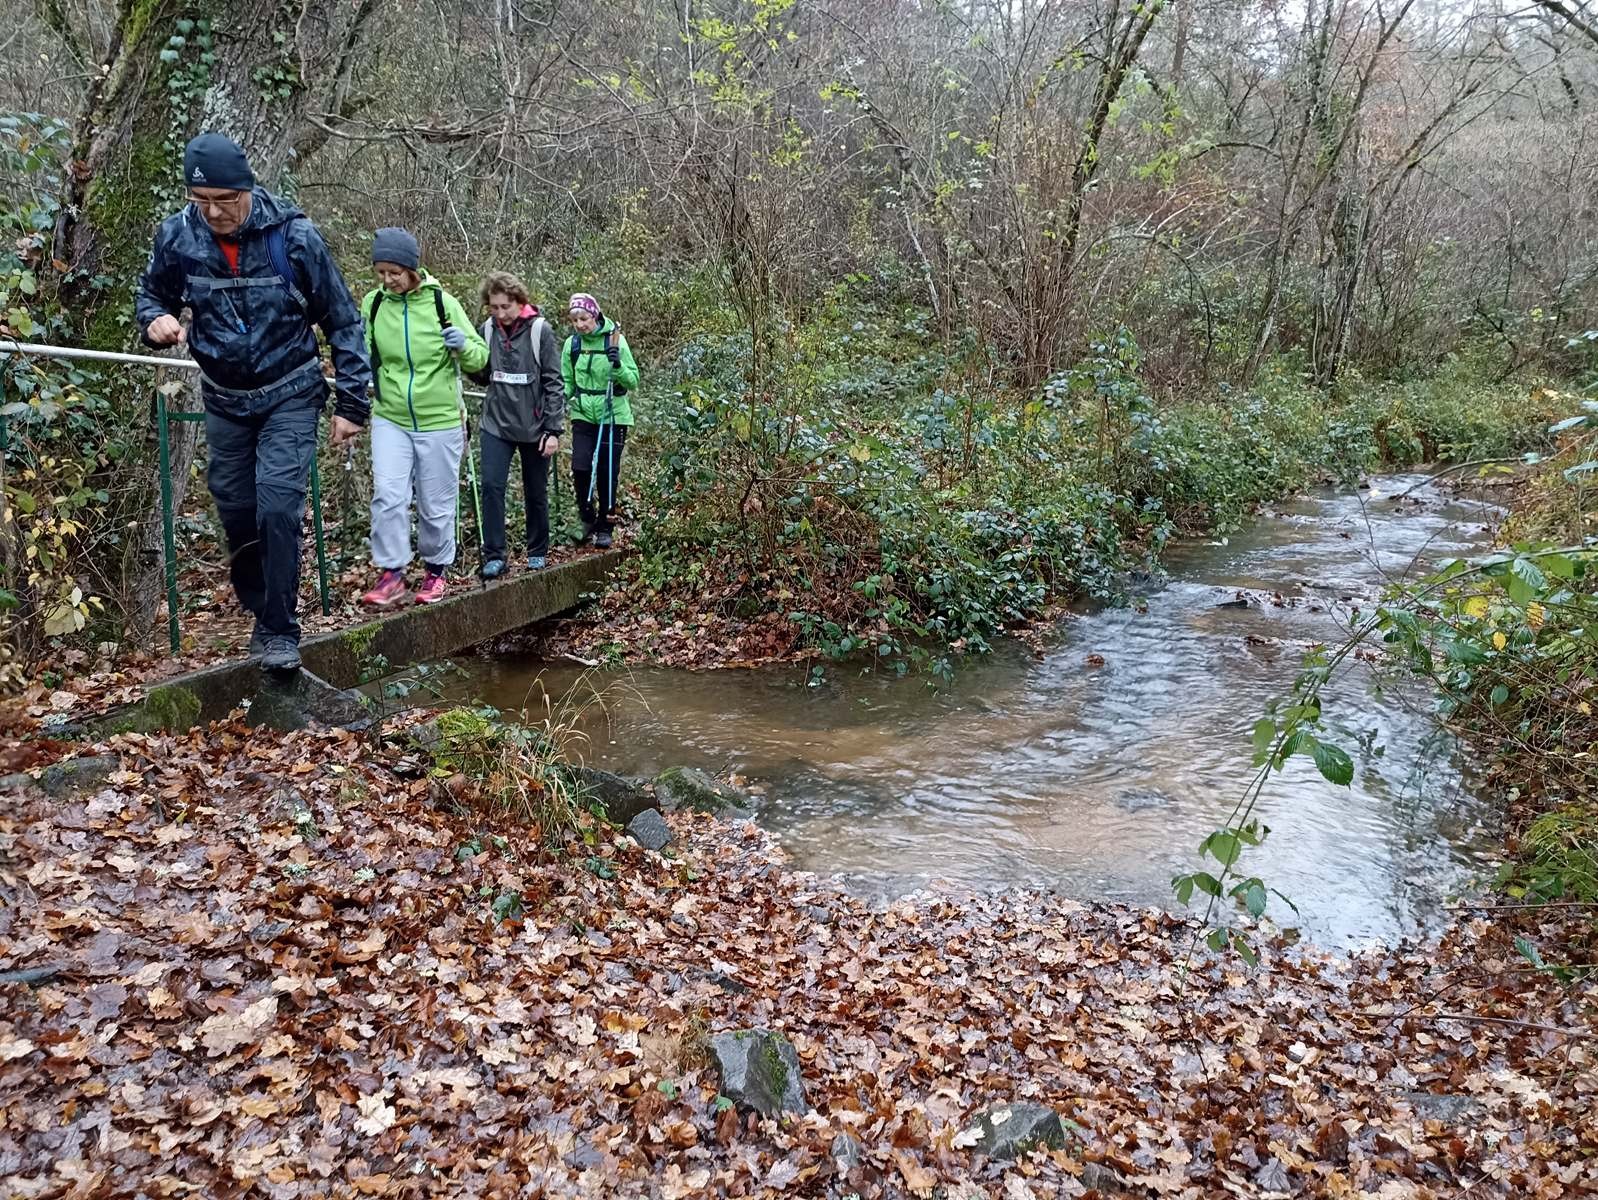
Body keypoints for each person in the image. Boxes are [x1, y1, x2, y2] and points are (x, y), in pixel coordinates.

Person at [135, 132, 370, 672]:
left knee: (279, 506)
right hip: (224, 398)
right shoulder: (177, 237)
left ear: (247, 189)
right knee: (237, 511)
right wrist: (155, 320)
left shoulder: (295, 238)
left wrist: (352, 403)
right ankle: (261, 604)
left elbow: (343, 320)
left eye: (225, 199)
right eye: (203, 202)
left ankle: (280, 629)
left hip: (291, 389)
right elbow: (151, 296)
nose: (215, 211)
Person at [359, 229, 489, 607]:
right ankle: (392, 575)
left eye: (393, 272)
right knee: (388, 495)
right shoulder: (374, 305)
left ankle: (435, 572)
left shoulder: (441, 303)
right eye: (380, 272)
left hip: (440, 419)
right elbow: (362, 349)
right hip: (391, 415)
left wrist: (463, 347)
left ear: (411, 268)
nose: (387, 280)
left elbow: (480, 358)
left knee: (435, 504)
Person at [468, 272, 564, 577]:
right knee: (491, 487)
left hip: (534, 426)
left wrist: (553, 429)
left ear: (519, 302)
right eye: (494, 307)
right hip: (496, 423)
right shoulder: (486, 330)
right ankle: (495, 555)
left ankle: (537, 550)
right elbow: (482, 375)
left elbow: (553, 382)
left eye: (506, 306)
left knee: (536, 491)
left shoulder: (539, 331)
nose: (500, 313)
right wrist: (464, 357)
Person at [563, 293, 638, 549]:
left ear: (594, 315)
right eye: (575, 320)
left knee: (608, 471)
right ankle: (586, 517)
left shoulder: (615, 341)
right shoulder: (572, 345)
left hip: (613, 414)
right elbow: (567, 383)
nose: (580, 325)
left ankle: (606, 525)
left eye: (583, 318)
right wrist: (556, 400)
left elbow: (633, 381)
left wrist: (617, 365)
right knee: (580, 467)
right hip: (584, 413)